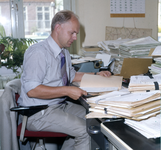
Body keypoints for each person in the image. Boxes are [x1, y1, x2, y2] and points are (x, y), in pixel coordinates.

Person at [18, 10, 111, 150]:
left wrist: (96, 75)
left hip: (57, 106)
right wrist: (67, 90)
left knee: (94, 120)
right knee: (84, 131)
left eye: (76, 34)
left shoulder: (64, 53)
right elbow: (32, 91)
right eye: (72, 33)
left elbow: (72, 76)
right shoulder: (38, 52)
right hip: (38, 112)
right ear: (58, 28)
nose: (74, 37)